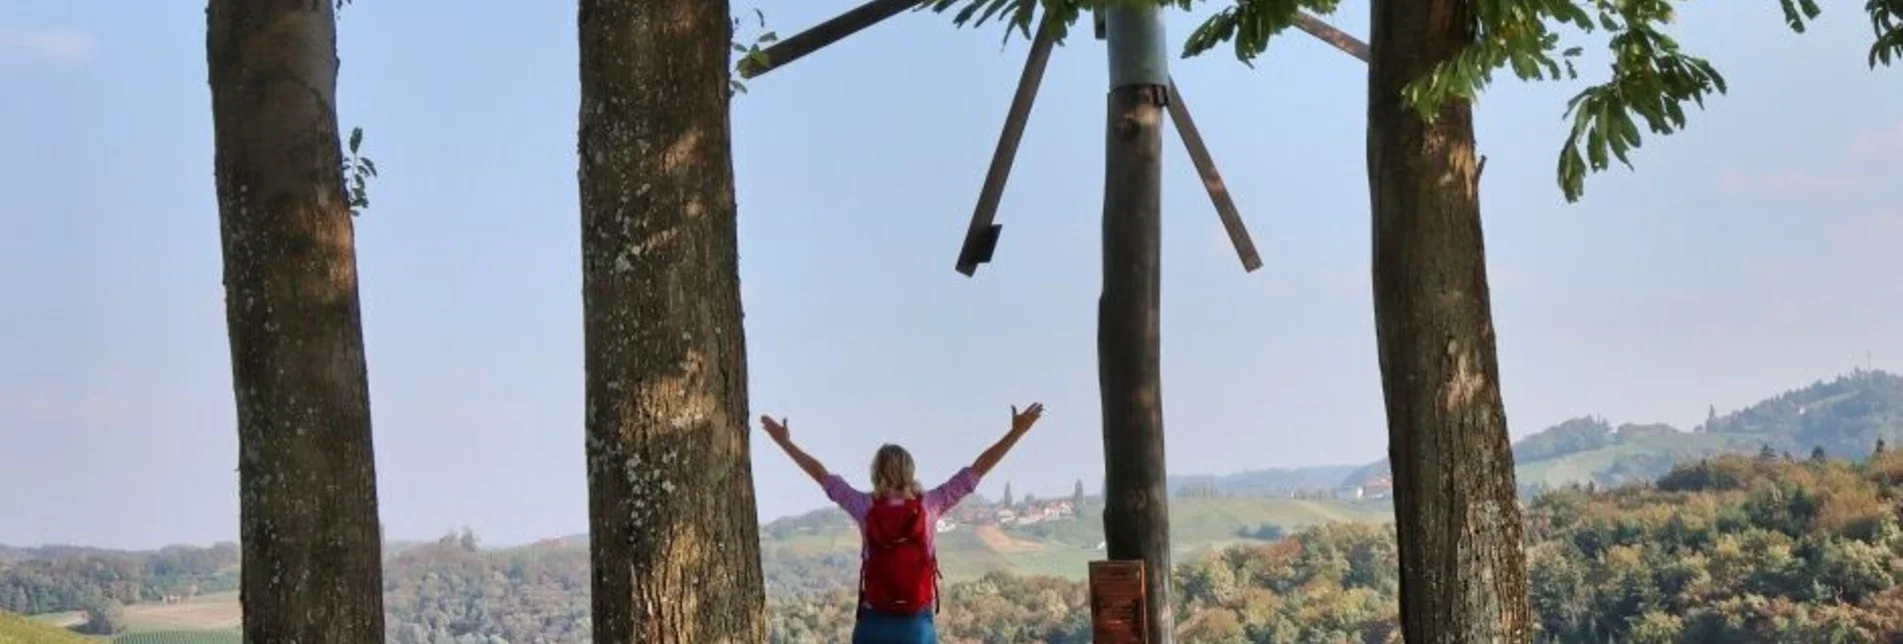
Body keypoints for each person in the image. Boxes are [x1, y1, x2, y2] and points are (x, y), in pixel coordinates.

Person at [760, 402, 1045, 644]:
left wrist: (785, 443)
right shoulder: (931, 505)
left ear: (875, 472)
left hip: (874, 622)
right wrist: (1016, 431)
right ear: (911, 471)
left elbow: (821, 475)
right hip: (915, 625)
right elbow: (977, 469)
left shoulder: (863, 506)